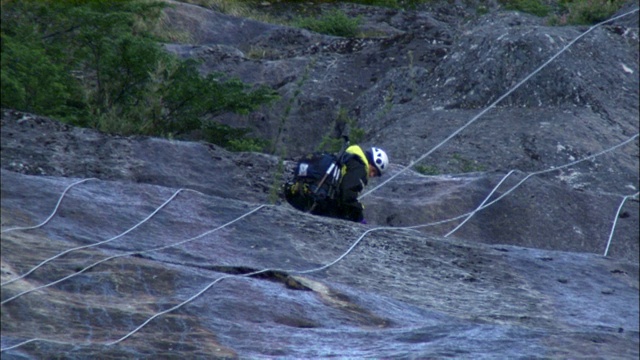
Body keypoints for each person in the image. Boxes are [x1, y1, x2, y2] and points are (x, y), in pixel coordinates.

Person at [286, 144, 389, 223]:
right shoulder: (360, 167)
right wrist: (359, 216)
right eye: (374, 171)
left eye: (375, 175)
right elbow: (347, 195)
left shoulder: (348, 158)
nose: (371, 175)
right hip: (320, 202)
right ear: (370, 161)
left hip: (304, 194)